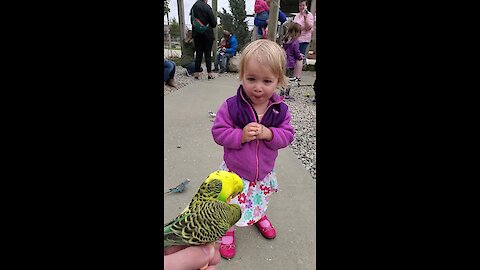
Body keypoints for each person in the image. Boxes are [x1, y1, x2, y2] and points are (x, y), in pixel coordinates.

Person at [211, 39, 295, 259]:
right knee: (232, 202)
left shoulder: (279, 110)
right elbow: (219, 132)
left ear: (279, 80)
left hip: (263, 172)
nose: (258, 87)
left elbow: (288, 135)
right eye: (251, 79)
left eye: (267, 81)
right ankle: (227, 228)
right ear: (242, 76)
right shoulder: (232, 106)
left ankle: (258, 216)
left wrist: (270, 134)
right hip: (235, 172)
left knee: (259, 198)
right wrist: (240, 135)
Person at [190, 0, 217, 80]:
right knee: (208, 54)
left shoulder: (194, 6)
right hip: (207, 33)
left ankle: (196, 74)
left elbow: (192, 20)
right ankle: (209, 73)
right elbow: (213, 23)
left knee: (198, 54)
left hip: (197, 33)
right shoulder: (207, 7)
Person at [283, 22, 304, 94]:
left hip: (284, 61)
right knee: (290, 79)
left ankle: (282, 92)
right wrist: (300, 57)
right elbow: (296, 52)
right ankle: (287, 93)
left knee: (284, 78)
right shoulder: (295, 42)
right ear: (298, 32)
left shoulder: (285, 40)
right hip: (291, 63)